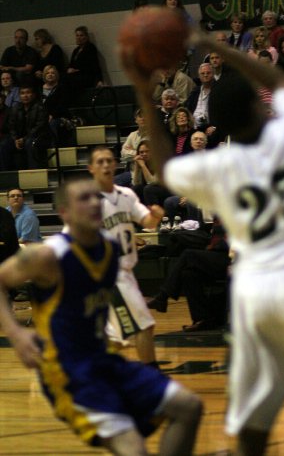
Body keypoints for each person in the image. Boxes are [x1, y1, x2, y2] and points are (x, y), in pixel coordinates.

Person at [128, 32, 284, 456]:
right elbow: (282, 85)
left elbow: (167, 171)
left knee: (253, 430)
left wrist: (141, 88)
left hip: (253, 293)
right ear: (256, 106)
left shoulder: (219, 165)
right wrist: (225, 51)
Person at [0, 177, 202, 455]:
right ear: (65, 213)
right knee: (134, 449)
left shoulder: (108, 247)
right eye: (84, 199)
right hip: (70, 374)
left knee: (189, 407)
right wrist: (16, 332)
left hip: (105, 360)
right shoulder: (48, 256)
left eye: (97, 197)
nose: (95, 202)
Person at [88, 146, 162, 364]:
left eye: (109, 161)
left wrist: (155, 216)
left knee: (116, 338)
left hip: (127, 272)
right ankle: (152, 378)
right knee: (144, 325)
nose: (105, 165)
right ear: (91, 168)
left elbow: (146, 222)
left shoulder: (126, 195)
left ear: (115, 164)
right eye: (100, 162)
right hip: (108, 274)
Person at [148, 222, 230, 332]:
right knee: (188, 274)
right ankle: (201, 319)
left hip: (232, 259)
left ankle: (162, 297)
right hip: (217, 255)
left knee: (188, 255)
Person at [0, 84, 51, 170]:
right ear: (19, 96)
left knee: (29, 143)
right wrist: (15, 139)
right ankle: (6, 174)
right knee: (4, 144)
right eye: (22, 93)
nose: (25, 95)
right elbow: (11, 127)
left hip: (38, 137)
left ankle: (34, 172)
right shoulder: (15, 108)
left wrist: (24, 139)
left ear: (33, 95)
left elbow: (39, 128)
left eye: (28, 93)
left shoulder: (40, 108)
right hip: (19, 139)